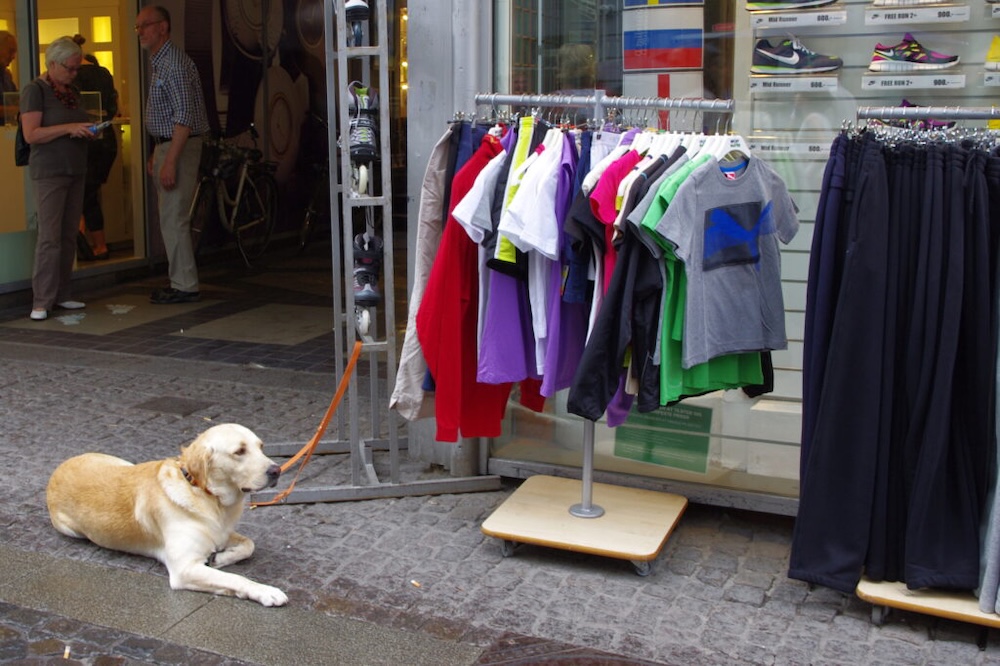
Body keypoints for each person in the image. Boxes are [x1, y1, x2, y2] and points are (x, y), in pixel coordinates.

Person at [19, 36, 98, 321]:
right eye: (70, 68)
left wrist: (88, 128)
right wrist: (70, 128)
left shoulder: (71, 90)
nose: (74, 73)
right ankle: (41, 299)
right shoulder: (35, 90)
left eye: (77, 68)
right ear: (53, 64)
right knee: (50, 237)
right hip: (50, 170)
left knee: (67, 235)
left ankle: (62, 293)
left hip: (75, 167)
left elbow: (72, 122)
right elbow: (32, 134)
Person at [137, 5, 209, 304]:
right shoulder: (160, 61)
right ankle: (180, 281)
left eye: (145, 26)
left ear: (163, 27)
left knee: (173, 218)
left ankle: (184, 285)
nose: (140, 32)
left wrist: (170, 159)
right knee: (170, 217)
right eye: (137, 27)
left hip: (179, 145)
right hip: (167, 144)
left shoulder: (173, 63)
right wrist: (159, 150)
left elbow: (184, 116)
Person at [71, 34, 118, 260]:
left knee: (84, 196)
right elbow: (111, 110)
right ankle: (89, 243)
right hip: (107, 140)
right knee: (88, 193)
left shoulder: (74, 78)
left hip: (86, 142)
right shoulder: (104, 74)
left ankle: (96, 245)